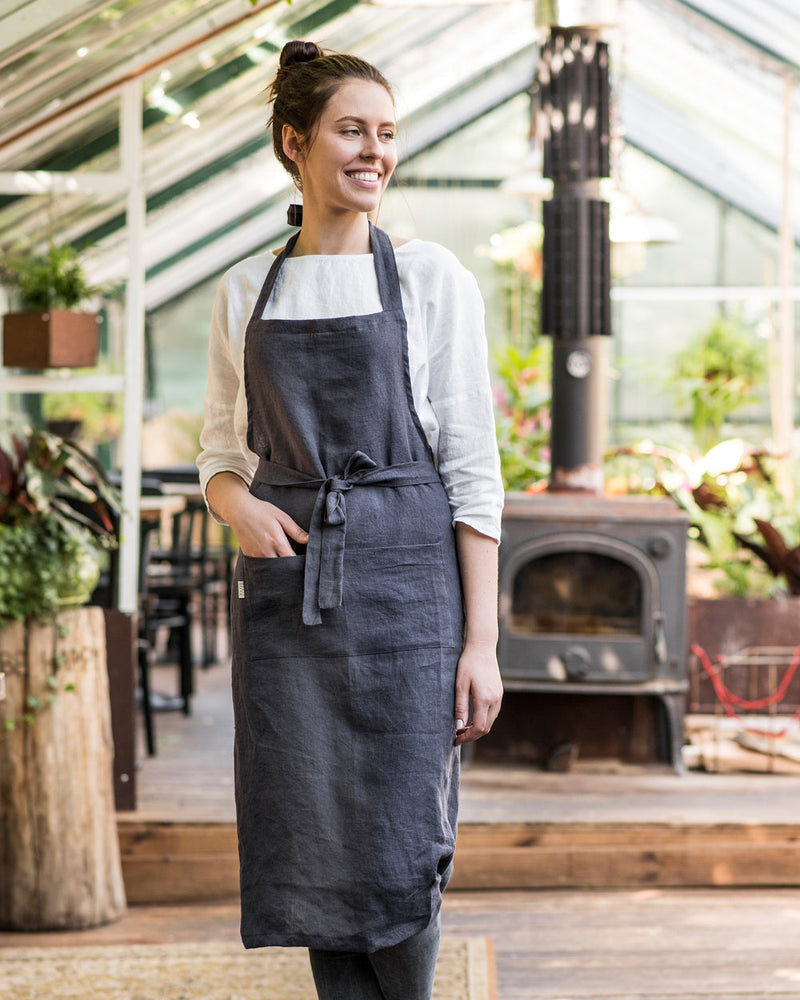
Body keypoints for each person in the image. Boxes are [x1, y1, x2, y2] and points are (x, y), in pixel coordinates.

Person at [197, 39, 504, 1000]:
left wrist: (481, 641)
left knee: (403, 837)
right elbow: (220, 454)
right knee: (311, 837)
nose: (375, 152)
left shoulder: (430, 278)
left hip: (411, 597)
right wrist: (238, 503)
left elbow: (472, 470)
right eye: (351, 130)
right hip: (292, 606)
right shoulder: (246, 288)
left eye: (387, 134)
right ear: (296, 142)